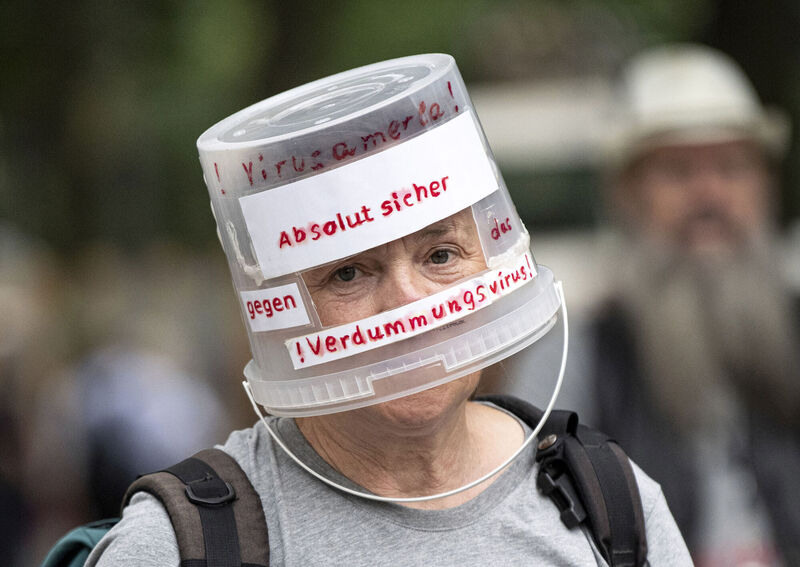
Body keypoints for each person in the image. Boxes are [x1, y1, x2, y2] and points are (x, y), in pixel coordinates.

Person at [85, 54, 690, 566]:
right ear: (282, 314)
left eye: (441, 254)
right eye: (348, 273)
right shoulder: (179, 545)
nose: (410, 303)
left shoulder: (611, 499)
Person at [591, 43, 800, 566]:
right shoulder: (582, 359)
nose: (710, 195)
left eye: (732, 168)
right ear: (627, 195)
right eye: (678, 173)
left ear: (765, 184)